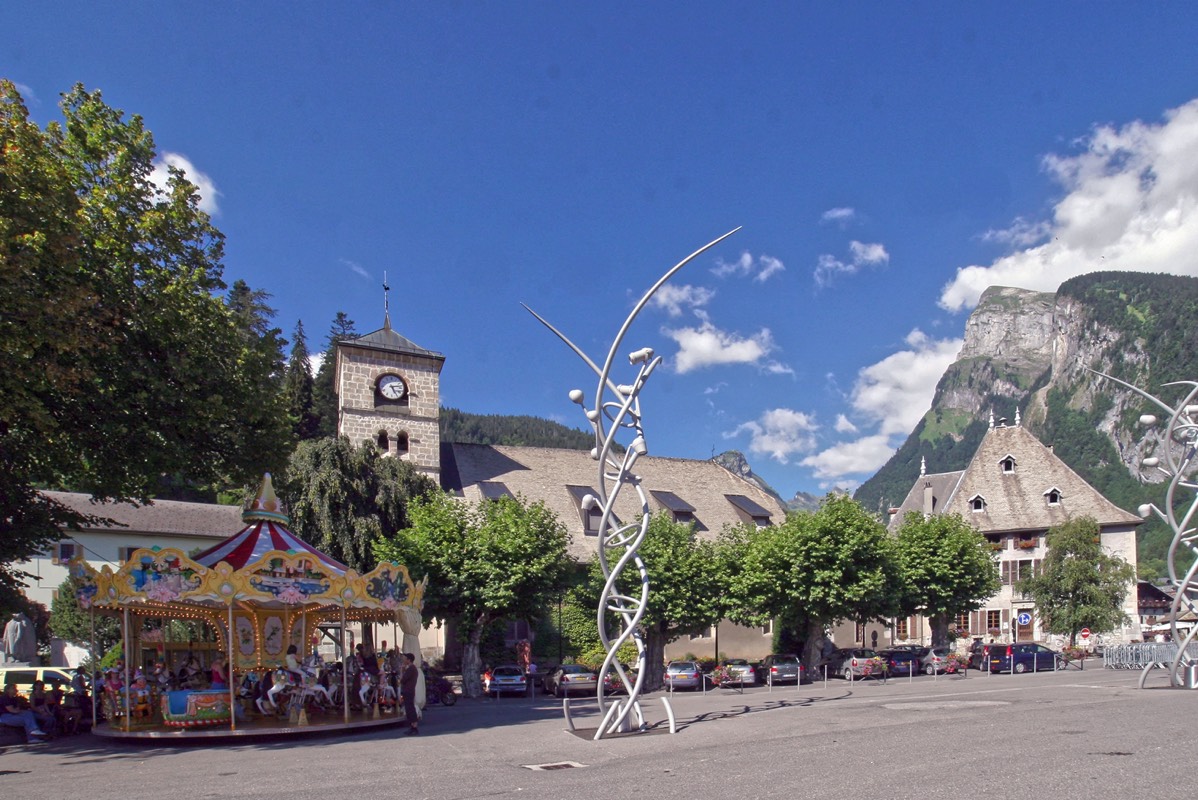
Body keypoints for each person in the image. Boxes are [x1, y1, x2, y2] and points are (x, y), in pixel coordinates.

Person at [399, 652, 419, 735]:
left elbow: (402, 679)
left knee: (410, 708)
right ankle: (412, 726)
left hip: (408, 691)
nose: (404, 660)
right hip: (409, 691)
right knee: (409, 708)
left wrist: (401, 671)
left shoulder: (411, 669)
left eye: (405, 658)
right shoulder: (411, 669)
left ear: (409, 660)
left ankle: (414, 726)